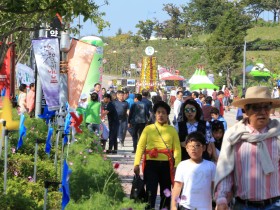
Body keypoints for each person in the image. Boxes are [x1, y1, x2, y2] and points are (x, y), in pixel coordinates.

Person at [214, 86, 280, 210]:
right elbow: (226, 170)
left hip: (275, 205)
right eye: (256, 107)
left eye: (266, 106)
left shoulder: (278, 134)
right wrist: (222, 198)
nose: (262, 112)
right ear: (246, 110)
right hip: (243, 205)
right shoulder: (234, 135)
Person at [134, 101, 181, 210]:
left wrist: (176, 165)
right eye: (158, 112)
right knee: (150, 192)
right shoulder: (148, 129)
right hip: (151, 165)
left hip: (166, 165)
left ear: (167, 115)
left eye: (163, 113)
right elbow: (140, 147)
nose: (161, 115)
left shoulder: (172, 130)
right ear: (155, 114)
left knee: (166, 193)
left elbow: (177, 149)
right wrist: (136, 163)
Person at [171, 131, 216, 210]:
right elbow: (177, 186)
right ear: (186, 148)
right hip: (186, 206)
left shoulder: (211, 166)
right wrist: (173, 206)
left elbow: (215, 187)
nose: (193, 149)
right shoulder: (182, 165)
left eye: (197, 146)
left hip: (205, 207)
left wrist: (217, 204)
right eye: (190, 146)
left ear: (204, 148)